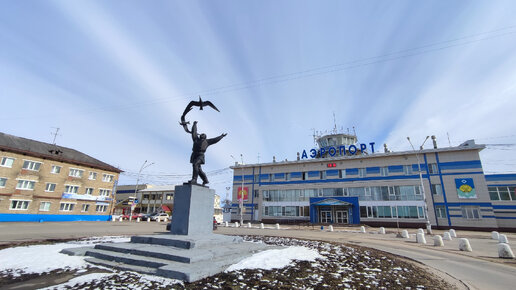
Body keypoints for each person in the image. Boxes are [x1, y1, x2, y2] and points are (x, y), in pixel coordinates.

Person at [189, 121, 227, 186]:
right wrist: (194, 124)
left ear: (205, 137)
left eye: (203, 134)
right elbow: (194, 132)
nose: (202, 134)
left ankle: (194, 179)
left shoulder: (207, 141)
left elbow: (215, 140)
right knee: (198, 169)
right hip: (194, 154)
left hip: (200, 155)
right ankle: (205, 180)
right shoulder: (195, 139)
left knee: (195, 164)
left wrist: (221, 136)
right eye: (201, 134)